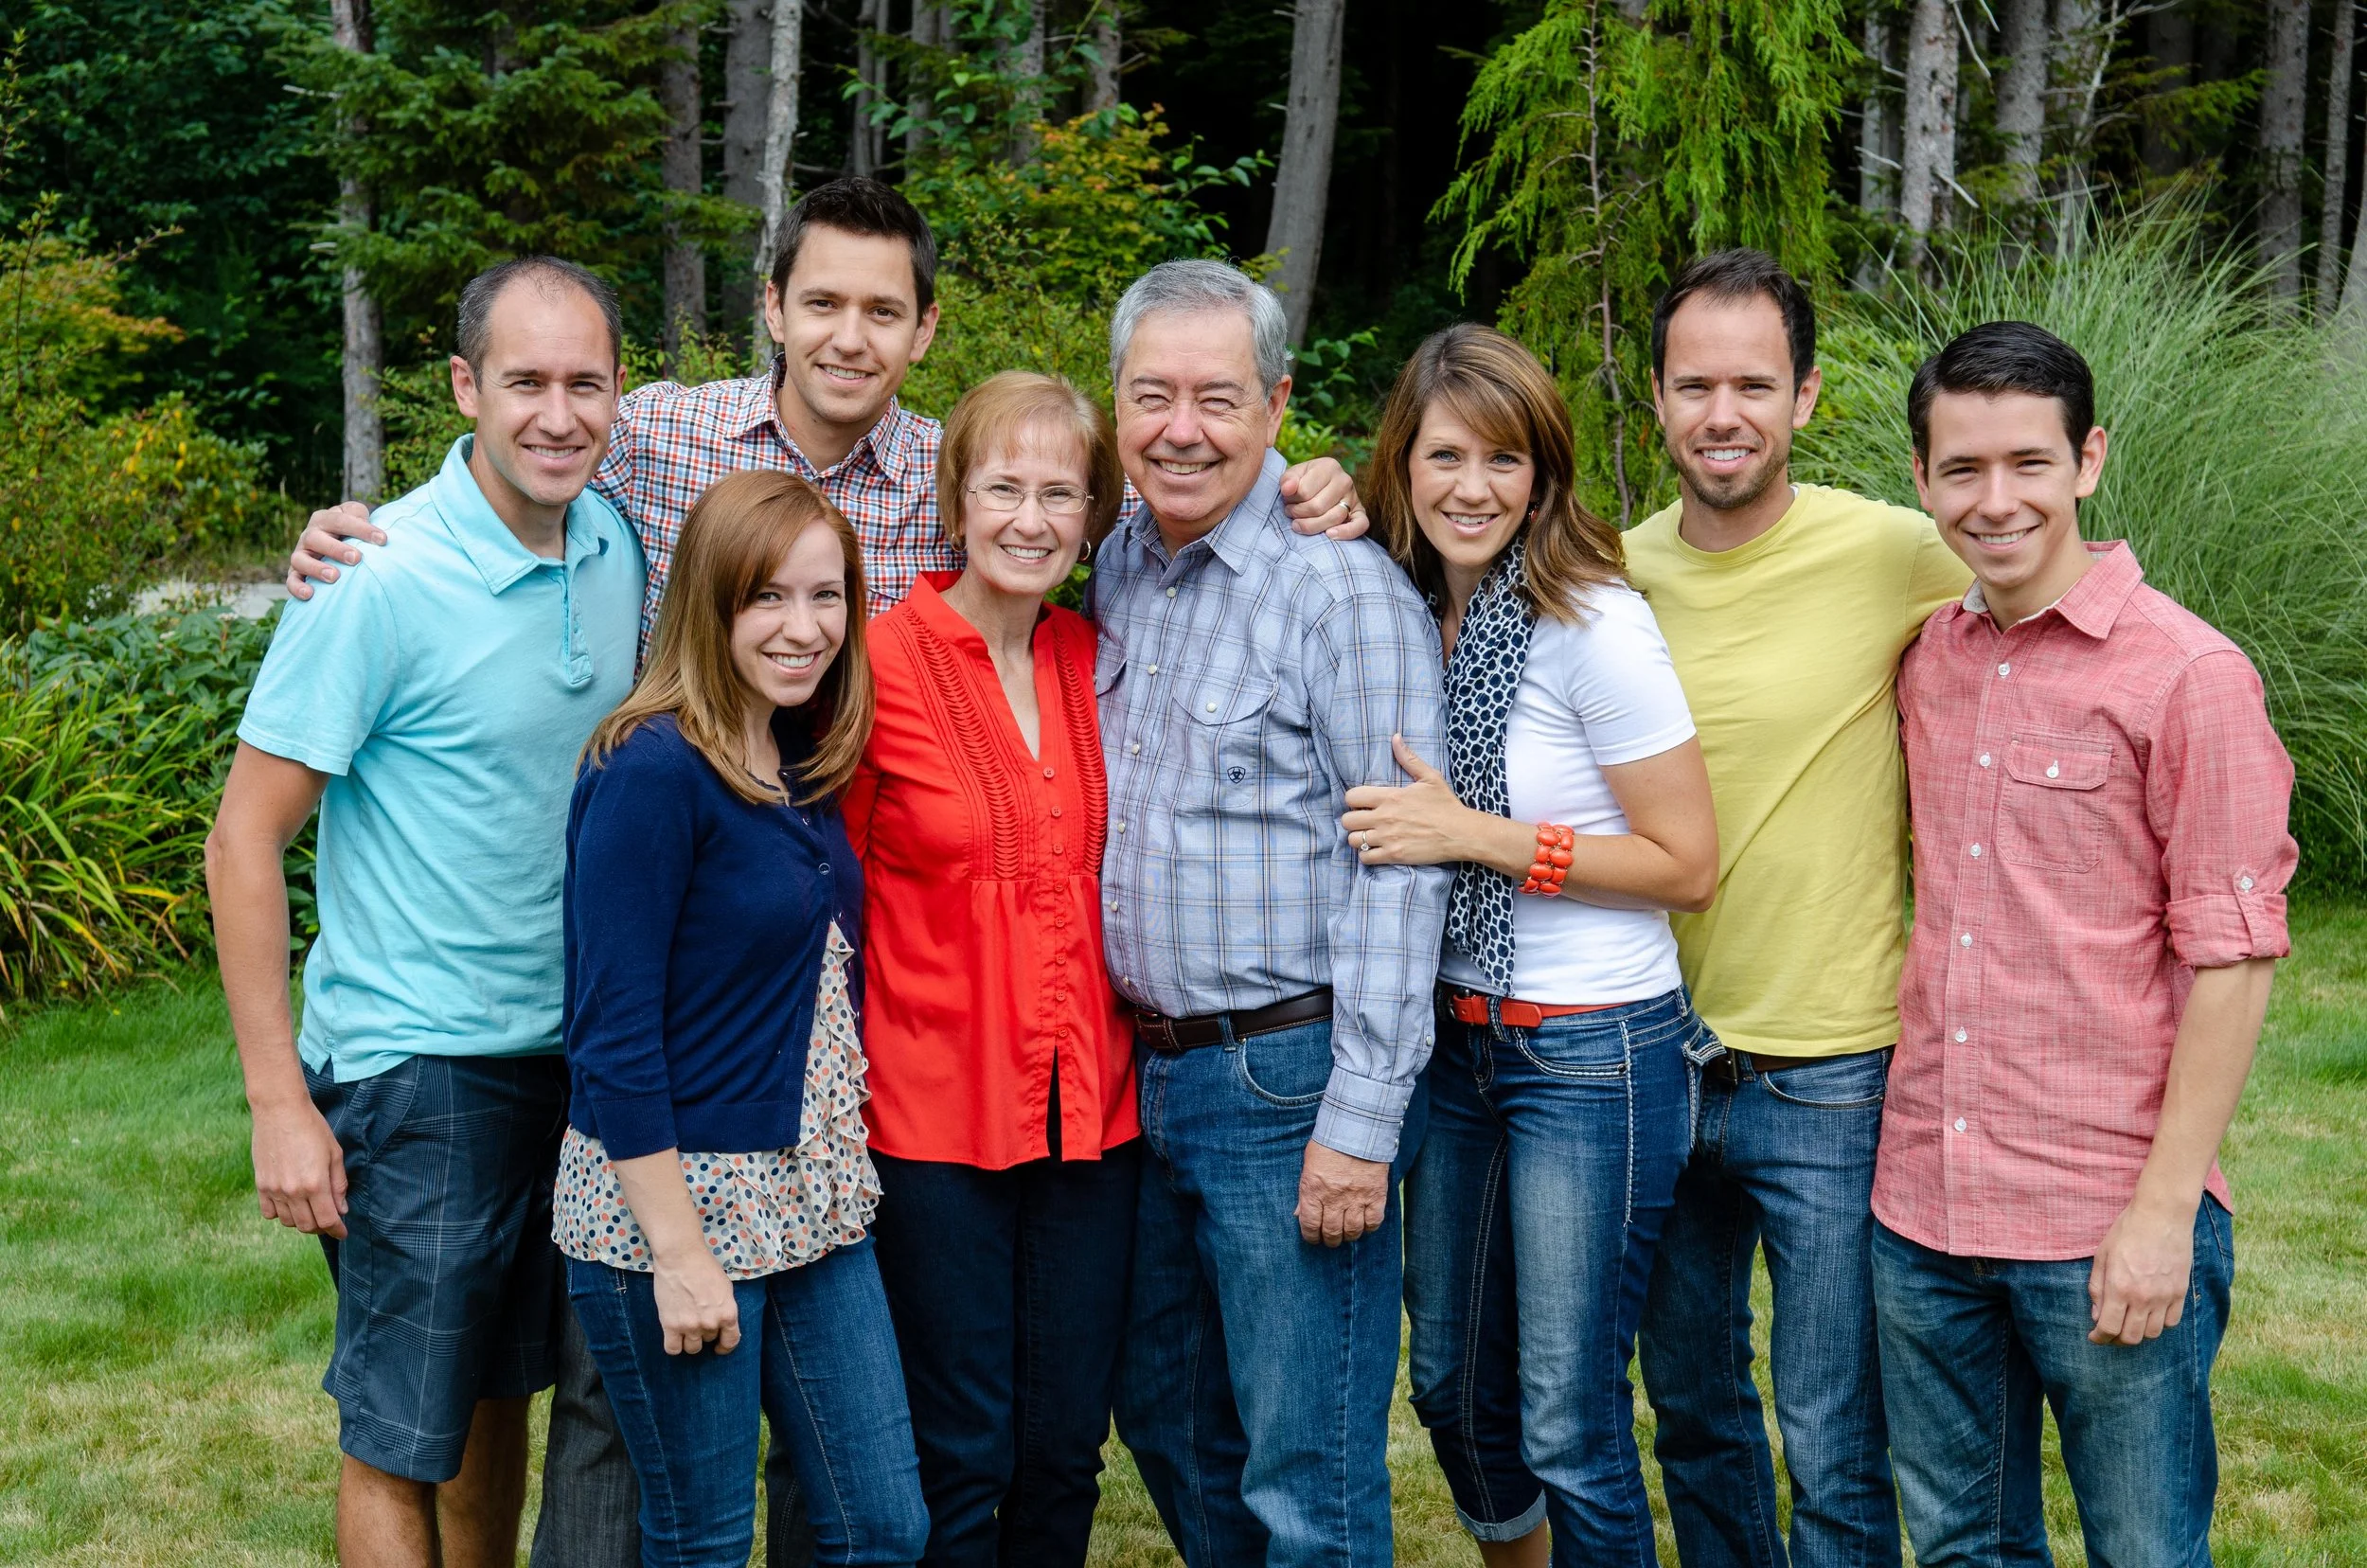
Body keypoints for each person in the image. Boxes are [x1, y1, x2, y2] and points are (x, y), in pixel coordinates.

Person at [279, 179, 1367, 1567]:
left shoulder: (983, 510)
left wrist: (1302, 479)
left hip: (889, 1097)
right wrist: (369, 530)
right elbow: (523, 442)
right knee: (622, 1427)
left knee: (869, 1468)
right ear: (774, 308)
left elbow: (1149, 478)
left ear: (924, 329)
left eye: (884, 309)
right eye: (825, 302)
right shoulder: (654, 439)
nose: (852, 334)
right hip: (685, 1034)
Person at [205, 257, 644, 1568]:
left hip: (572, 1056)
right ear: (464, 386)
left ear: (621, 391)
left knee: (499, 1397)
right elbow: (243, 840)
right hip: (417, 1069)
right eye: (525, 382)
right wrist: (278, 1105)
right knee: (403, 1434)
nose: (557, 415)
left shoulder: (618, 541)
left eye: (585, 383)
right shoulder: (376, 576)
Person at [1876, 321, 2292, 1567]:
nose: (1995, 499)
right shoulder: (1929, 659)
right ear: (1923, 479)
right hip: (1923, 1208)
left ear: (2087, 461)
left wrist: (2163, 1215)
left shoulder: (2189, 676)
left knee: (2145, 1552)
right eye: (1962, 469)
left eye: (2029, 463)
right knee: (1961, 1548)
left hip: (2103, 1215)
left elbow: (2233, 961)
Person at [1094, 258, 1452, 1568]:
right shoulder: (1117, 560)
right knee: (1169, 1416)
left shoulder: (1339, 591)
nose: (1181, 429)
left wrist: (1360, 1124)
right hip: (1147, 1075)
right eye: (1152, 396)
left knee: (1307, 1472)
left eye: (1218, 398)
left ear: (1277, 404)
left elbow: (1403, 866)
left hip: (1287, 1078)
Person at [1348, 323, 1721, 1567]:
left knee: (1568, 1419)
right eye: (1446, 456)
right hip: (1459, 1050)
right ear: (1403, 464)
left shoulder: (1591, 622)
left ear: (1543, 474)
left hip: (1593, 1057)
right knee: (1453, 1393)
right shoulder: (1405, 612)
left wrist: (1478, 836)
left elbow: (1687, 866)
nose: (1473, 488)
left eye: (1503, 460)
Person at [1623, 249, 1972, 1568]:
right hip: (1649, 1052)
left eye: (1754, 385)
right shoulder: (1608, 571)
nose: (1724, 414)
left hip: (1829, 1064)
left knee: (1833, 1437)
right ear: (1657, 397)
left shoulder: (1891, 550)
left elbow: (2056, 580)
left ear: (1806, 397)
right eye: (1695, 385)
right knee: (1693, 1411)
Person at [561, 468, 928, 1567]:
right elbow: (612, 1035)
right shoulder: (649, 768)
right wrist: (679, 1255)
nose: (802, 627)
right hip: (675, 1202)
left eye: (825, 597)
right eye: (767, 597)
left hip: (811, 1194)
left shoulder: (801, 755)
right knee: (705, 1540)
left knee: (882, 1525)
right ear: (708, 603)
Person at [846, 371, 1138, 1567]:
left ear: (1094, 515)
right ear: (953, 500)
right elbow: (819, 892)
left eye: (1059, 493)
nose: (1030, 519)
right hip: (929, 1117)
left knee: (1064, 1448)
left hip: (1093, 1116)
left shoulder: (1100, 656)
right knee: (961, 1451)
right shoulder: (875, 661)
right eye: (1002, 488)